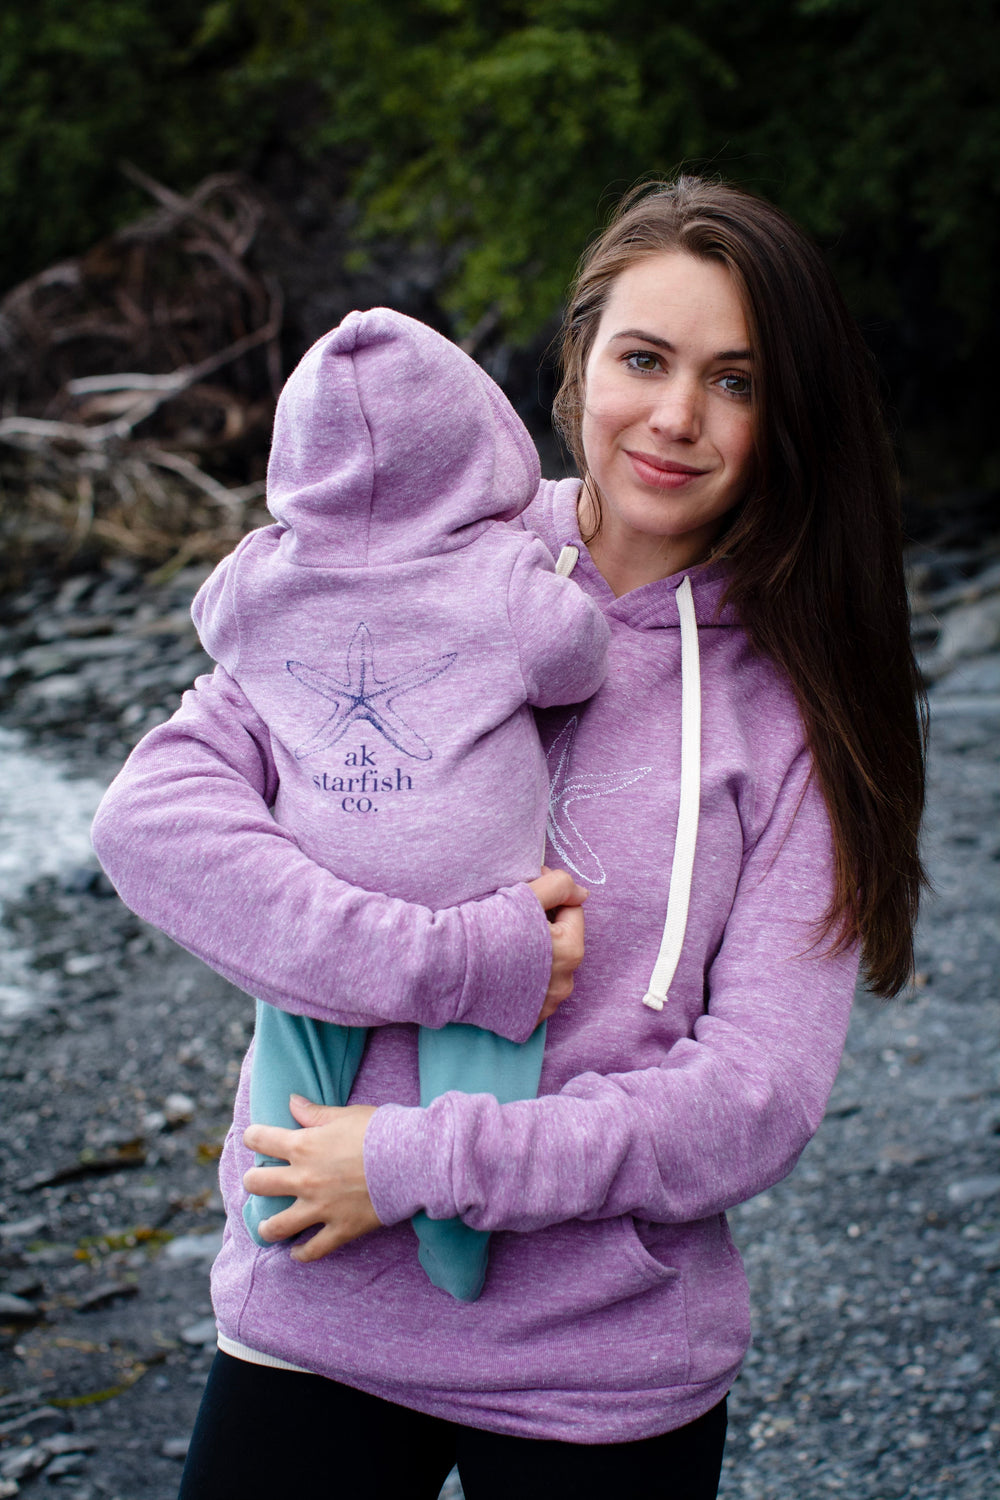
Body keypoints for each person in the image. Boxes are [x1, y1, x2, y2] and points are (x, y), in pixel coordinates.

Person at [91, 176, 926, 1500]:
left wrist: (416, 1164)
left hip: (601, 1370)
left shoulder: (799, 707)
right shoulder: (402, 550)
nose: (676, 416)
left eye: (735, 382)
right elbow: (154, 821)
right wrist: (446, 961)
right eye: (644, 359)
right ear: (578, 360)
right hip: (315, 1309)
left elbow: (752, 1101)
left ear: (789, 418)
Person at [188, 304, 608, 1298]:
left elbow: (214, 626)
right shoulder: (500, 579)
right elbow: (577, 661)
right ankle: (456, 1247)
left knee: (298, 1025)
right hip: (475, 899)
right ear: (478, 448)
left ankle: (274, 1205)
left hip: (322, 884)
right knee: (481, 1056)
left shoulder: (256, 580)